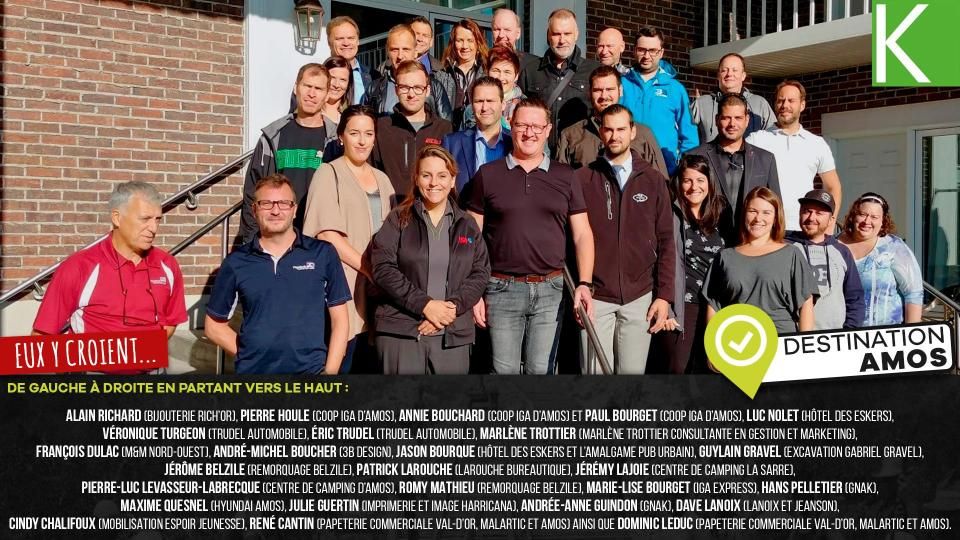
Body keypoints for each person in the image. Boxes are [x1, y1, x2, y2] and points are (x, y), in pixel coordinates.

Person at [467, 98, 595, 375]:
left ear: (548, 130)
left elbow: (582, 234)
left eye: (537, 126)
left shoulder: (566, 176)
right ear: (510, 125)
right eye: (522, 125)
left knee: (541, 372)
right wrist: (473, 292)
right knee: (503, 373)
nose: (529, 133)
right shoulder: (488, 175)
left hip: (551, 290)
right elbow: (470, 238)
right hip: (500, 289)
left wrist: (584, 283)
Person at [204, 175, 350, 374]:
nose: (275, 211)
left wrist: (330, 373)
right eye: (266, 204)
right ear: (254, 210)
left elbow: (340, 321)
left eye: (283, 203)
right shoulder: (236, 262)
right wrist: (250, 357)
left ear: (294, 210)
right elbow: (213, 326)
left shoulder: (322, 254)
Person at [371, 146, 491, 374]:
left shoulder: (467, 224)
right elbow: (383, 268)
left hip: (452, 335)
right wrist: (425, 305)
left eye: (442, 175)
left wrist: (450, 310)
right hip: (403, 332)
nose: (434, 183)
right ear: (416, 179)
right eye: (426, 175)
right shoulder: (398, 219)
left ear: (453, 180)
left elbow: (481, 272)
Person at [575, 105, 674, 374]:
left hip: (639, 296)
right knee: (595, 380)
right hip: (596, 297)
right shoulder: (582, 178)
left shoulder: (653, 180)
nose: (614, 135)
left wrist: (664, 296)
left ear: (633, 132)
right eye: (608, 129)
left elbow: (667, 241)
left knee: (631, 381)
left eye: (621, 129)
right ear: (601, 132)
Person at [33, 182, 187, 348]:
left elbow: (170, 321)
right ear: (116, 218)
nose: (154, 228)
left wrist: (143, 350)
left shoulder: (168, 265)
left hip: (150, 363)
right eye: (145, 219)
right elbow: (41, 337)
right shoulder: (78, 267)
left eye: (157, 220)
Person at [303, 105, 396, 373]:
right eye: (354, 133)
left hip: (378, 289)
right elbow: (327, 235)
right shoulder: (328, 173)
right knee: (344, 359)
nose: (362, 141)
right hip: (344, 283)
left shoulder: (382, 179)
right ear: (341, 136)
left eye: (368, 133)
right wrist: (370, 269)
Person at [650, 155, 727, 374]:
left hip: (715, 305)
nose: (694, 187)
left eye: (700, 180)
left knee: (711, 369)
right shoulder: (670, 214)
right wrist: (668, 307)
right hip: (682, 306)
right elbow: (658, 260)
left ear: (709, 183)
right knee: (678, 368)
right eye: (687, 180)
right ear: (679, 183)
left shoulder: (722, 215)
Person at [703, 187, 817, 334]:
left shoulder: (791, 254)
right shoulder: (725, 257)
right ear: (744, 214)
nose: (758, 218)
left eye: (766, 213)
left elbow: (806, 303)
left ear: (775, 218)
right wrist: (715, 344)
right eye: (753, 211)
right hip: (738, 341)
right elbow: (713, 306)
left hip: (781, 340)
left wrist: (803, 342)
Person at [240, 63, 329, 243]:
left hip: (319, 239)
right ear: (296, 88)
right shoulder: (273, 136)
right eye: (307, 86)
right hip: (276, 237)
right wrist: (251, 241)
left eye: (318, 89)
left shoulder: (335, 140)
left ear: (327, 95)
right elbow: (253, 191)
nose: (312, 94)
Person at [746, 80, 842, 230]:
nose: (785, 105)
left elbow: (833, 187)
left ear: (802, 105)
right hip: (765, 228)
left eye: (791, 101)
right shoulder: (756, 140)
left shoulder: (816, 143)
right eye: (780, 100)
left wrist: (830, 224)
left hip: (804, 228)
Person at [686, 92, 780, 244]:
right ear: (717, 120)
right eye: (726, 118)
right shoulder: (694, 156)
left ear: (747, 120)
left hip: (750, 243)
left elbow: (775, 207)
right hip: (706, 243)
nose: (732, 124)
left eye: (738, 118)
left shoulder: (765, 159)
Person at [557, 65, 667, 176]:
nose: (604, 96)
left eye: (610, 89)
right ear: (589, 93)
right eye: (598, 90)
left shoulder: (643, 134)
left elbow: (660, 181)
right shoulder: (570, 135)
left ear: (620, 91)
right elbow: (560, 181)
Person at [520, 8, 600, 154]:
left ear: (576, 34)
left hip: (578, 155)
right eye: (556, 34)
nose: (562, 40)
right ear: (548, 35)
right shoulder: (531, 71)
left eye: (567, 34)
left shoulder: (593, 71)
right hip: (540, 154)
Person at [620, 26, 699, 175]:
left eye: (653, 51)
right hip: (626, 168)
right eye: (642, 50)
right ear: (634, 50)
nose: (647, 56)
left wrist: (683, 168)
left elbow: (689, 135)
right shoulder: (621, 84)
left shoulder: (675, 89)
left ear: (661, 52)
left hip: (664, 170)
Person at [838, 192, 923, 326]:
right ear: (853, 216)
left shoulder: (893, 246)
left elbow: (913, 293)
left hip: (886, 333)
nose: (867, 221)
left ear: (883, 221)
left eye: (874, 217)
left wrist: (912, 331)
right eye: (862, 214)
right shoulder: (834, 245)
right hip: (842, 333)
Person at [371, 60, 453, 197]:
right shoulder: (381, 127)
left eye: (418, 88)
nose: (411, 94)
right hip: (392, 206)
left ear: (427, 90)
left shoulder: (443, 128)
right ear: (396, 90)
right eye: (404, 87)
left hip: (430, 206)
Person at [786, 189, 865, 330]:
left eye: (819, 213)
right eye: (807, 211)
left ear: (831, 220)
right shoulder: (785, 248)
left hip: (834, 337)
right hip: (793, 335)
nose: (811, 217)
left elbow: (855, 298)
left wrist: (849, 332)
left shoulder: (842, 252)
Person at [364, 24, 453, 122]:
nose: (400, 56)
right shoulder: (374, 89)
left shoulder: (435, 87)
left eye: (405, 49)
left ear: (415, 52)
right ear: (387, 51)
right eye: (395, 50)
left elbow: (445, 126)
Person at [442, 77, 513, 193]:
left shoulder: (514, 142)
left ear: (503, 104)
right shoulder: (452, 143)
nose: (484, 108)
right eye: (479, 101)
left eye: (490, 101)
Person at [690, 53, 776, 143]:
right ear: (718, 75)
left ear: (743, 75)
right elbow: (686, 136)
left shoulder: (760, 104)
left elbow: (773, 137)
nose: (729, 74)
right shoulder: (701, 104)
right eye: (724, 70)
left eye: (735, 70)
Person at [436, 19, 488, 129]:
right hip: (448, 134)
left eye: (470, 40)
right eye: (460, 40)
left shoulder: (487, 73)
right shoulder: (441, 75)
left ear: (478, 43)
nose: (465, 46)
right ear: (453, 43)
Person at [327, 16, 372, 104]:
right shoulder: (319, 75)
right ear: (329, 42)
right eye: (340, 38)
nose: (346, 43)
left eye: (351, 38)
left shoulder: (373, 76)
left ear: (358, 41)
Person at [479, 45, 525, 131]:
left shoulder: (526, 106)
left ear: (516, 76)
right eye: (496, 71)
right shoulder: (475, 106)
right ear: (487, 72)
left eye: (507, 72)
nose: (501, 77)